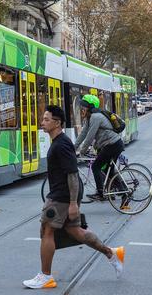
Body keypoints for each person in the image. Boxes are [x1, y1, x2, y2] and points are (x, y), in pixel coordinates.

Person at [22, 105, 124, 289]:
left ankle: (45, 276)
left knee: (47, 230)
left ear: (57, 122)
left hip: (61, 195)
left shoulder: (61, 144)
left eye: (46, 119)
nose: (42, 122)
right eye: (43, 119)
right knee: (75, 232)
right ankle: (111, 253)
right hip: (63, 194)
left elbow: (72, 174)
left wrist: (73, 203)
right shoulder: (59, 142)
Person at [74, 94, 124, 202]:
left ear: (90, 107)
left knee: (96, 166)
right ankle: (124, 192)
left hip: (112, 144)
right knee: (107, 170)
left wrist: (82, 151)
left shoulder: (95, 117)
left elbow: (90, 136)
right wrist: (74, 147)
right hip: (114, 144)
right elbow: (83, 134)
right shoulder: (90, 117)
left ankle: (100, 193)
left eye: (84, 106)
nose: (82, 109)